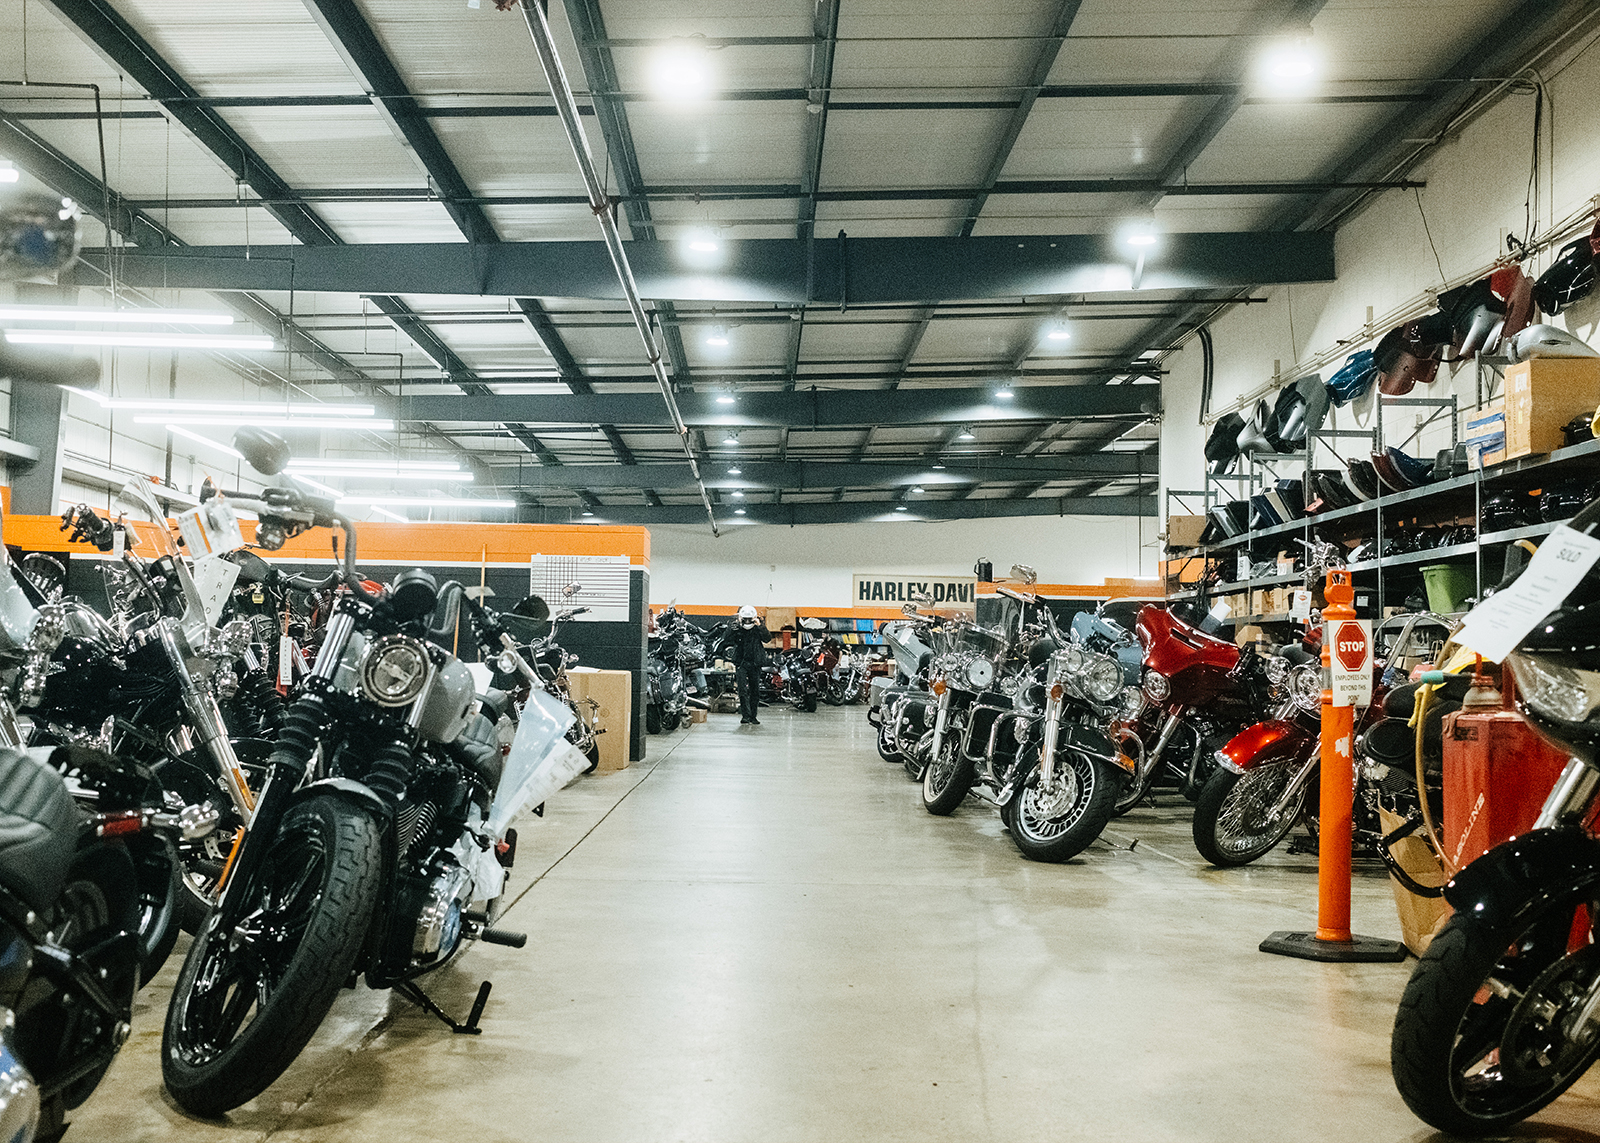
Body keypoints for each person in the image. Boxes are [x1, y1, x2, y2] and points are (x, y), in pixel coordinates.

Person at [726, 604, 771, 725]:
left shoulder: (758, 627)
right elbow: (727, 639)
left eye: (749, 619)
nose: (747, 621)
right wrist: (732, 628)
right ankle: (745, 715)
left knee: (755, 690)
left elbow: (767, 639)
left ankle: (753, 716)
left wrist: (761, 626)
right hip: (741, 662)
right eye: (744, 619)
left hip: (755, 662)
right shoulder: (737, 628)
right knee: (742, 690)